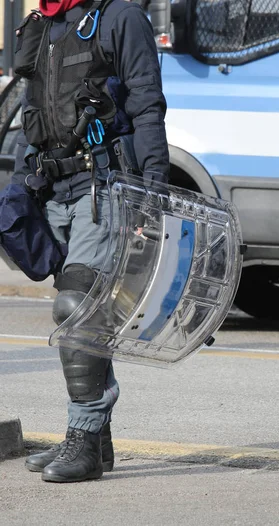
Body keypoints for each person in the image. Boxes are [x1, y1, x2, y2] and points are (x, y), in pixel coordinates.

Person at [12, 0, 169, 482]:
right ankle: (95, 446)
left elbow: (147, 103)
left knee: (77, 309)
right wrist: (21, 188)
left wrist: (154, 190)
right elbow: (32, 113)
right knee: (88, 320)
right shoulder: (43, 24)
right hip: (53, 190)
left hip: (104, 187)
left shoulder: (120, 16)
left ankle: (82, 438)